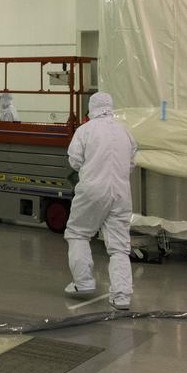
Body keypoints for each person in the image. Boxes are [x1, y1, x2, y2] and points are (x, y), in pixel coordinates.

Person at [63, 92, 138, 310]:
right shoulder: (125, 132)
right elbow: (131, 163)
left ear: (91, 108)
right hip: (121, 193)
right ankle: (121, 296)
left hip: (92, 191)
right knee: (119, 247)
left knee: (78, 233)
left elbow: (75, 161)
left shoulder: (85, 130)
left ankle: (83, 282)